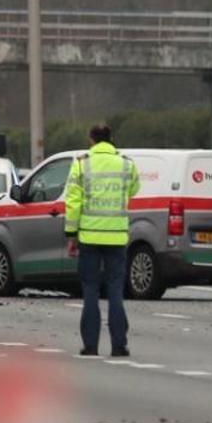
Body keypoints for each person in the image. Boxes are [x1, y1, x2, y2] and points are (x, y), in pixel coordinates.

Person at [64, 122, 140, 358]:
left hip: (89, 236)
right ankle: (119, 345)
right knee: (116, 291)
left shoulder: (81, 164)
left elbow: (73, 202)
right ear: (111, 139)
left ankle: (91, 345)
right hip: (117, 237)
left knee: (90, 292)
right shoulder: (126, 164)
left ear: (91, 140)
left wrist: (71, 235)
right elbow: (133, 190)